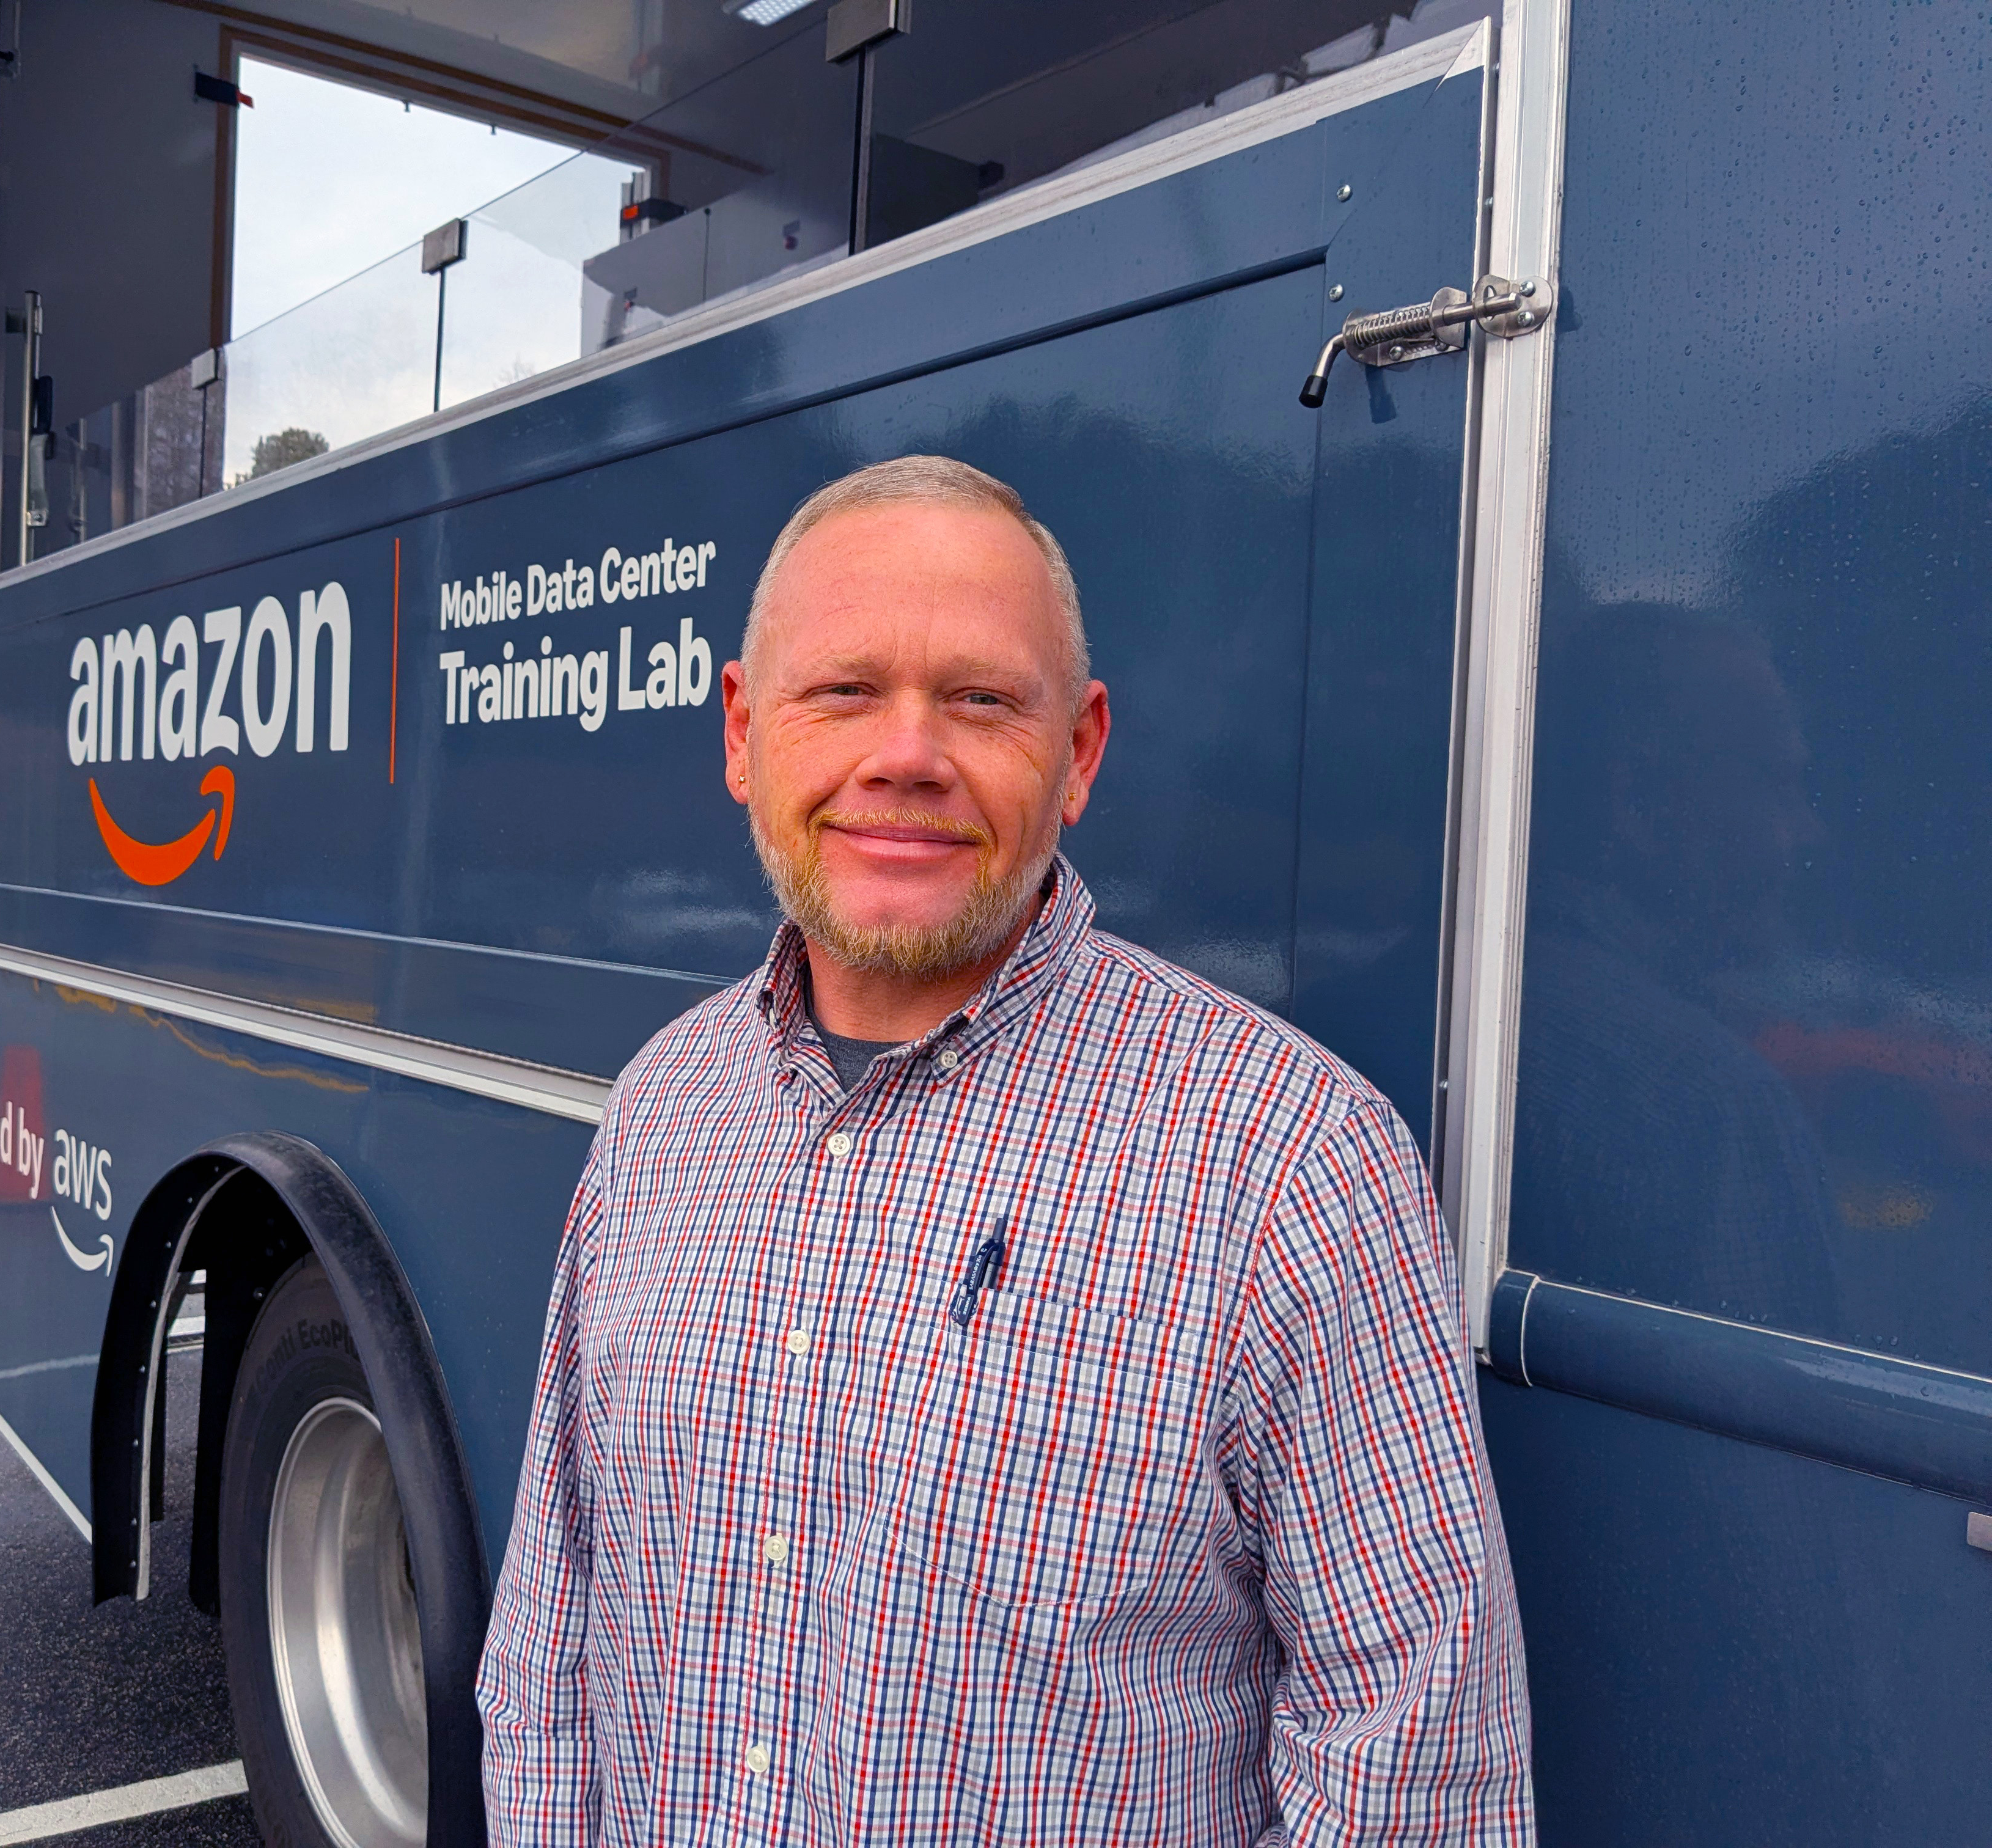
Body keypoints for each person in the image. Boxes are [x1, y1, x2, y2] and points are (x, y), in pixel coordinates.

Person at [476, 455, 1532, 1844]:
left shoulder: (1292, 1166)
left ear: (1080, 752)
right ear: (743, 733)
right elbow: (555, 1634)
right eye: (842, 691)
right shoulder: (663, 1109)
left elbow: (1417, 1777)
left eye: (980, 700)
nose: (906, 753)